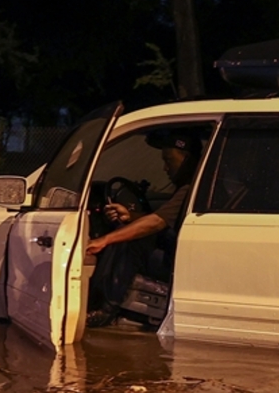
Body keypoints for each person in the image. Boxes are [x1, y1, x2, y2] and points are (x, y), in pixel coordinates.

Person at [83, 128, 203, 328]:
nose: (165, 168)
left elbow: (156, 222)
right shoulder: (190, 188)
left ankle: (107, 309)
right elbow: (163, 217)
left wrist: (104, 240)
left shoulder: (189, 189)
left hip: (178, 264)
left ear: (187, 160)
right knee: (131, 233)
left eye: (169, 160)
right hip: (183, 256)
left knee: (132, 242)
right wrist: (130, 216)